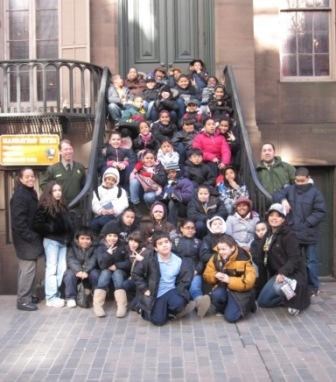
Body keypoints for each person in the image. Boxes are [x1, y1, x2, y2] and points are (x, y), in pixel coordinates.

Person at [273, 167, 326, 296]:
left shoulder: (316, 193)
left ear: (308, 179)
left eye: (302, 181)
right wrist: (283, 200)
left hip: (308, 233)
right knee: (294, 260)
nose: (300, 183)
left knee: (311, 261)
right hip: (293, 233)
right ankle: (297, 285)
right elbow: (276, 194)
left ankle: (313, 286)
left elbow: (320, 212)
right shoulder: (290, 189)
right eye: (297, 181)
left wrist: (306, 223)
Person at [131, 231, 195, 326]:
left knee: (178, 303)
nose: (164, 245)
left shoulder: (179, 260)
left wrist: (180, 290)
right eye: (160, 244)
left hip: (171, 290)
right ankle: (143, 307)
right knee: (158, 321)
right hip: (155, 293)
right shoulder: (150, 259)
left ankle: (178, 309)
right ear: (156, 248)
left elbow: (185, 278)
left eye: (166, 242)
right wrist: (144, 289)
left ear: (170, 243)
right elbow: (136, 273)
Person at [257, 204, 311, 316]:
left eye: (278, 216)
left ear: (283, 219)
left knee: (268, 299)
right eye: (271, 215)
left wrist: (282, 273)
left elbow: (294, 259)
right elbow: (262, 258)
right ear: (267, 218)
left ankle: (297, 297)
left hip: (291, 274)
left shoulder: (289, 235)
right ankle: (288, 297)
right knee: (263, 302)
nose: (274, 218)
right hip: (277, 274)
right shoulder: (268, 234)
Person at [33, 181, 73, 307]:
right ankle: (51, 297)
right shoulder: (44, 206)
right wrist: (52, 228)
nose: (58, 193)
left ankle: (55, 294)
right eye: (55, 190)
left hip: (63, 241)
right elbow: (37, 225)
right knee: (52, 269)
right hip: (51, 241)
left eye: (59, 190)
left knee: (61, 269)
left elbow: (68, 224)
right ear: (49, 192)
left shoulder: (62, 206)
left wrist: (68, 235)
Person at [10, 168, 44, 311]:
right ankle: (23, 301)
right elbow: (19, 223)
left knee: (26, 269)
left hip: (29, 238)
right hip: (25, 240)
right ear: (21, 179)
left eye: (32, 176)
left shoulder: (30, 192)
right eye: (27, 177)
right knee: (28, 270)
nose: (31, 179)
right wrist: (32, 237)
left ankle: (26, 296)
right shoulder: (20, 195)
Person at [203, 234, 256, 322]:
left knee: (231, 318)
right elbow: (206, 275)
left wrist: (229, 280)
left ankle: (249, 303)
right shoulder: (215, 257)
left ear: (233, 248)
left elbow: (249, 282)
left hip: (240, 292)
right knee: (216, 295)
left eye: (224, 249)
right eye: (219, 249)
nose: (220, 252)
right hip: (223, 288)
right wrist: (215, 275)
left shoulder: (244, 258)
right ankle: (226, 308)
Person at [172, 220, 210, 318]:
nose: (190, 230)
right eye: (187, 228)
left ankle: (201, 304)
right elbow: (172, 257)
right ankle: (182, 308)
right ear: (181, 229)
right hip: (180, 272)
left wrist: (197, 270)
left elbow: (202, 259)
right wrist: (179, 271)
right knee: (180, 289)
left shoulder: (199, 242)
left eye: (192, 228)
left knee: (195, 288)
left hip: (194, 271)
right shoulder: (175, 241)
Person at [93, 225, 130, 318]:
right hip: (105, 270)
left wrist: (117, 266)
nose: (112, 238)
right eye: (110, 235)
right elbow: (101, 264)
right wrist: (108, 253)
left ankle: (122, 305)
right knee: (105, 273)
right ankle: (97, 305)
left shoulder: (123, 246)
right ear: (105, 236)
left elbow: (128, 262)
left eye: (115, 236)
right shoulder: (100, 247)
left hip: (120, 271)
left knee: (117, 274)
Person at [40, 139, 86, 206]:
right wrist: (53, 195)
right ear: (60, 152)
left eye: (70, 149)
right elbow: (43, 184)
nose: (68, 151)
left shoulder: (80, 167)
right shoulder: (52, 169)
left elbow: (84, 186)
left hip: (78, 208)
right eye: (65, 149)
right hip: (59, 207)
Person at [63, 227, 100, 308]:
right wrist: (78, 271)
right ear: (77, 239)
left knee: (96, 274)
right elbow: (71, 259)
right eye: (82, 238)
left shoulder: (95, 247)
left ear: (91, 239)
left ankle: (96, 295)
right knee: (69, 274)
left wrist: (86, 271)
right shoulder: (72, 247)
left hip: (89, 271)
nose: (85, 241)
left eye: (87, 239)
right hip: (76, 271)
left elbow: (93, 260)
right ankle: (70, 298)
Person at [90, 168, 129, 234]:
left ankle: (105, 236)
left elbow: (124, 203)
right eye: (108, 179)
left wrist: (114, 210)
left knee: (104, 222)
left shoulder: (120, 191)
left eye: (113, 180)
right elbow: (94, 203)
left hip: (114, 215)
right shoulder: (97, 190)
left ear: (116, 181)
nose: (110, 182)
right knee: (93, 224)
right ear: (104, 179)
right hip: (101, 213)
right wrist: (101, 210)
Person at [250, 221, 268, 297]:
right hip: (260, 267)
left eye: (263, 229)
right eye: (258, 231)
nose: (261, 232)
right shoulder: (254, 243)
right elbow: (254, 257)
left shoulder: (272, 239)